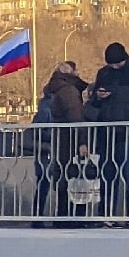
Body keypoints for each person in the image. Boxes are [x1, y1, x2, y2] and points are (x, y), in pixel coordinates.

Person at [86, 41, 129, 218]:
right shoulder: (104, 73)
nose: (114, 67)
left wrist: (128, 121)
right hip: (107, 134)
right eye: (111, 64)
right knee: (107, 178)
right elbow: (94, 102)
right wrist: (98, 97)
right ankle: (106, 216)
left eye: (117, 63)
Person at [30, 62, 86, 223]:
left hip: (48, 145)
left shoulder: (51, 91)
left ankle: (38, 218)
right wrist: (82, 141)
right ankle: (67, 218)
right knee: (70, 179)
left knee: (46, 182)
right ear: (72, 72)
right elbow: (75, 117)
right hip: (64, 143)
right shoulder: (68, 91)